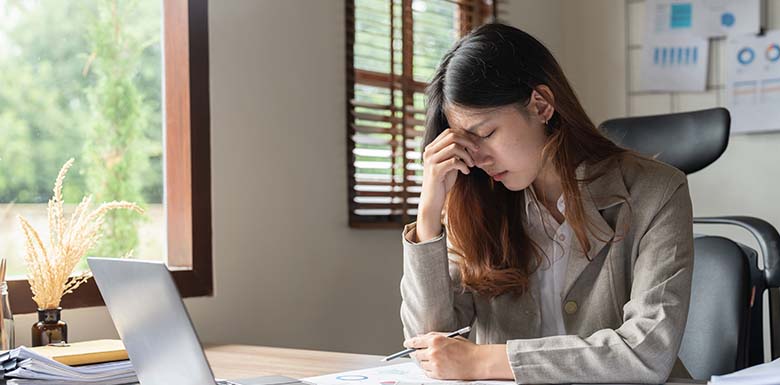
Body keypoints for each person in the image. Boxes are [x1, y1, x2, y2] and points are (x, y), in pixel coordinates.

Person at [399, 23, 694, 384]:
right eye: (464, 143)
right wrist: (428, 214)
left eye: (486, 134)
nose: (477, 158)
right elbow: (432, 347)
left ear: (541, 105)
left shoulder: (658, 191)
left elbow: (649, 352)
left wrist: (485, 361)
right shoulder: (476, 201)